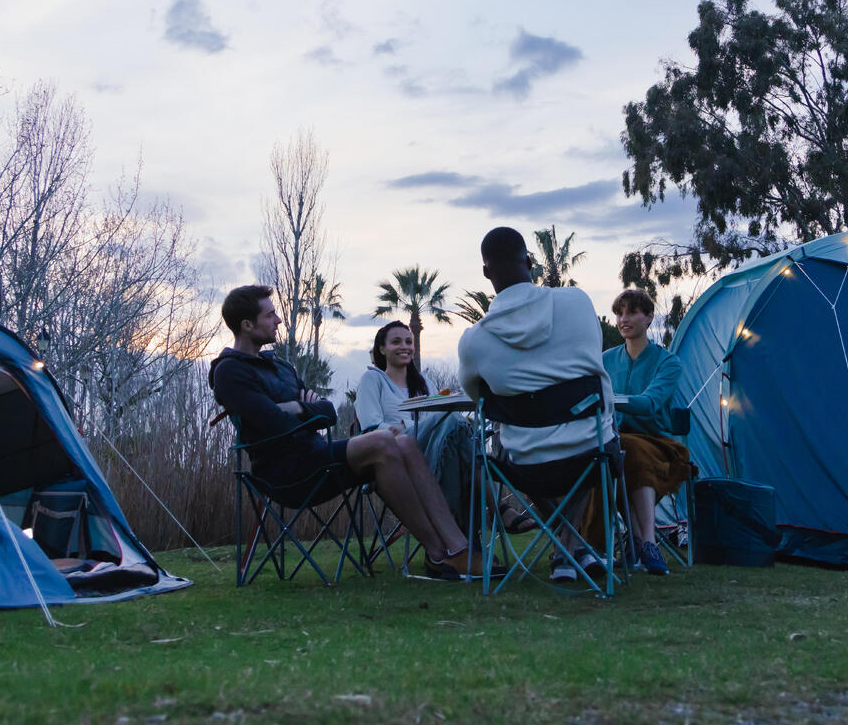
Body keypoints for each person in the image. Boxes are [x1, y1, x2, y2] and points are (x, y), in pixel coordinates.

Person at [210, 285, 483, 581]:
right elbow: (272, 423)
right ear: (247, 325)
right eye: (271, 314)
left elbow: (328, 412)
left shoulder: (280, 367)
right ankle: (439, 553)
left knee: (402, 442)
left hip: (315, 457)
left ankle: (457, 548)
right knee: (383, 440)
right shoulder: (230, 372)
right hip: (284, 472)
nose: (278, 320)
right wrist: (303, 408)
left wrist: (297, 409)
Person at [458, 226, 616, 583]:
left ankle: (567, 548)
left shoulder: (474, 341)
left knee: (521, 448)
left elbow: (479, 399)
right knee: (591, 443)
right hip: (591, 451)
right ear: (530, 261)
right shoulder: (577, 302)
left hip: (525, 461)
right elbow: (592, 361)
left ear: (485, 273)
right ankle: (571, 548)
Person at [357, 320, 523, 535]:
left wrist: (406, 424)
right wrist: (408, 426)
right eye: (396, 342)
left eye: (409, 341)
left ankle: (462, 543)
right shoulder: (373, 379)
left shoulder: (424, 382)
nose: (405, 347)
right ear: (381, 348)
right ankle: (494, 513)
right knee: (457, 426)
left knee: (459, 442)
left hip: (436, 449)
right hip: (397, 452)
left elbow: (440, 422)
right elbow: (372, 427)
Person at [602, 288, 693, 576]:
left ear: (649, 318)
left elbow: (651, 403)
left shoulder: (668, 362)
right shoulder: (605, 360)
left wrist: (611, 399)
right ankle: (633, 543)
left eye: (631, 312)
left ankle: (647, 543)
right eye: (619, 313)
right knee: (604, 455)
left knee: (633, 453)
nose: (623, 319)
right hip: (613, 439)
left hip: (657, 442)